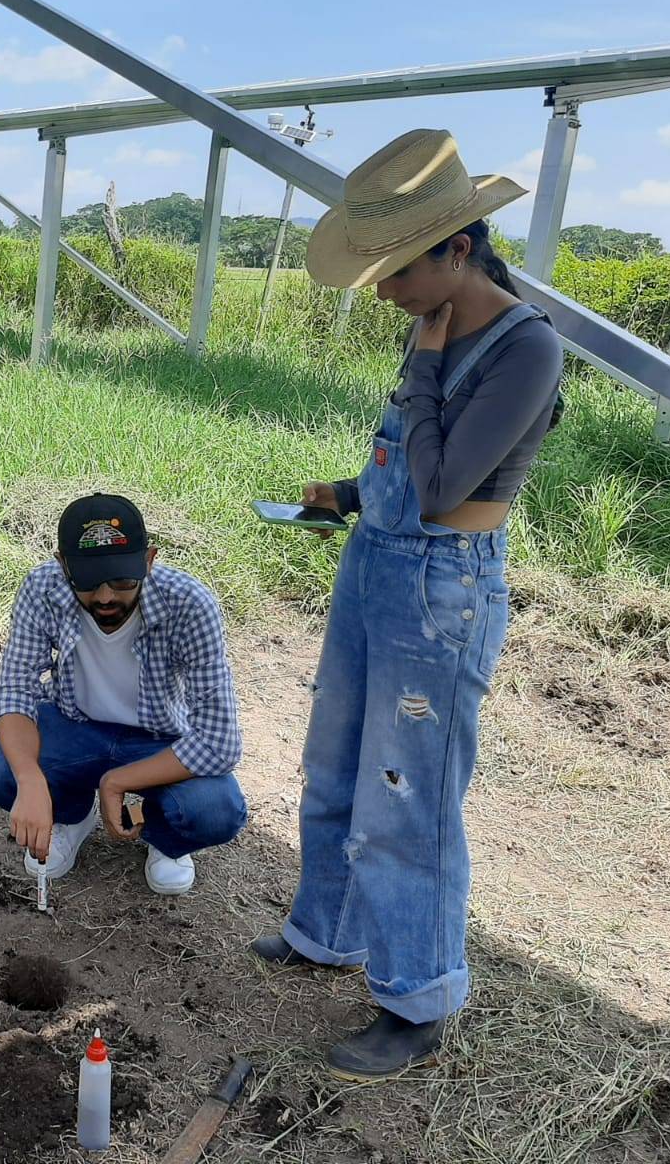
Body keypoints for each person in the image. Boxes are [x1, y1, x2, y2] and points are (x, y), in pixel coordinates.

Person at [252, 129, 563, 1080]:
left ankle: (417, 995)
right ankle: (327, 928)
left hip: (442, 587)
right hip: (374, 563)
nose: (384, 291)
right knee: (336, 757)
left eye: (394, 272)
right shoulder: (429, 320)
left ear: (456, 250)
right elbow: (401, 465)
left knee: (409, 794)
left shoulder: (525, 350)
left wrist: (427, 362)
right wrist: (346, 495)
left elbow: (440, 489)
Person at [0, 494, 247, 895]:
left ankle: (162, 838)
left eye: (121, 580)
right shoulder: (41, 587)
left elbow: (219, 741)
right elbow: (16, 689)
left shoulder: (190, 603)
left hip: (158, 740)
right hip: (75, 726)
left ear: (149, 561)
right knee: (0, 770)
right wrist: (31, 780)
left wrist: (117, 782)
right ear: (63, 564)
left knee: (215, 810)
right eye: (87, 581)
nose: (105, 597)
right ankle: (69, 816)